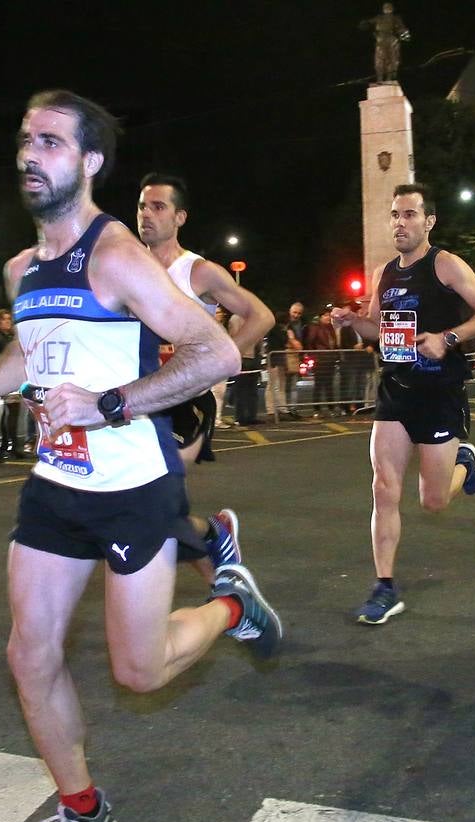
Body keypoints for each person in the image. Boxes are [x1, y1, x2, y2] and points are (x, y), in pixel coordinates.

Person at [0, 90, 281, 822]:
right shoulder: (22, 267)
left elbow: (214, 354)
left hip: (130, 486)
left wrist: (110, 403)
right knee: (29, 651)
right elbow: (32, 351)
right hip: (55, 486)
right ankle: (84, 812)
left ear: (88, 163)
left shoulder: (117, 253)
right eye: (25, 138)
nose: (29, 154)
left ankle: (231, 604)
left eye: (49, 142)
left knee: (139, 673)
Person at [331, 182, 475, 623]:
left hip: (440, 392)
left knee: (433, 502)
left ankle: (465, 462)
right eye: (394, 215)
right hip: (394, 390)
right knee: (383, 487)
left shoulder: (444, 264)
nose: (400, 223)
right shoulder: (384, 273)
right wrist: (354, 322)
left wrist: (447, 338)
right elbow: (377, 331)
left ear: (428, 222)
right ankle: (384, 586)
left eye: (409, 215)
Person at [136, 171, 274, 575]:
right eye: (142, 206)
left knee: (153, 503)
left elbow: (261, 316)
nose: (147, 214)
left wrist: (218, 359)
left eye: (158, 207)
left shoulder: (197, 271)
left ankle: (228, 591)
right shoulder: (126, 267)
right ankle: (216, 546)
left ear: (180, 217)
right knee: (153, 512)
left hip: (186, 400)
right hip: (138, 398)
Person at [0, 308, 25, 460]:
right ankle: (12, 444)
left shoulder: (8, 336)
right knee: (12, 411)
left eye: (8, 319)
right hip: (6, 376)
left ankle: (6, 443)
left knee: (10, 411)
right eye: (3, 319)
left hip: (12, 375)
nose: (7, 322)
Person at [359, 2, 411, 83]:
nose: (387, 8)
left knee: (391, 59)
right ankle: (379, 78)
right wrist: (365, 23)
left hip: (391, 39)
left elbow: (401, 28)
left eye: (389, 7)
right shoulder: (379, 18)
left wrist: (405, 35)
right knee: (379, 60)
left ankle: (389, 78)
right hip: (380, 40)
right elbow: (368, 23)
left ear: (392, 9)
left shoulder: (395, 18)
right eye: (386, 7)